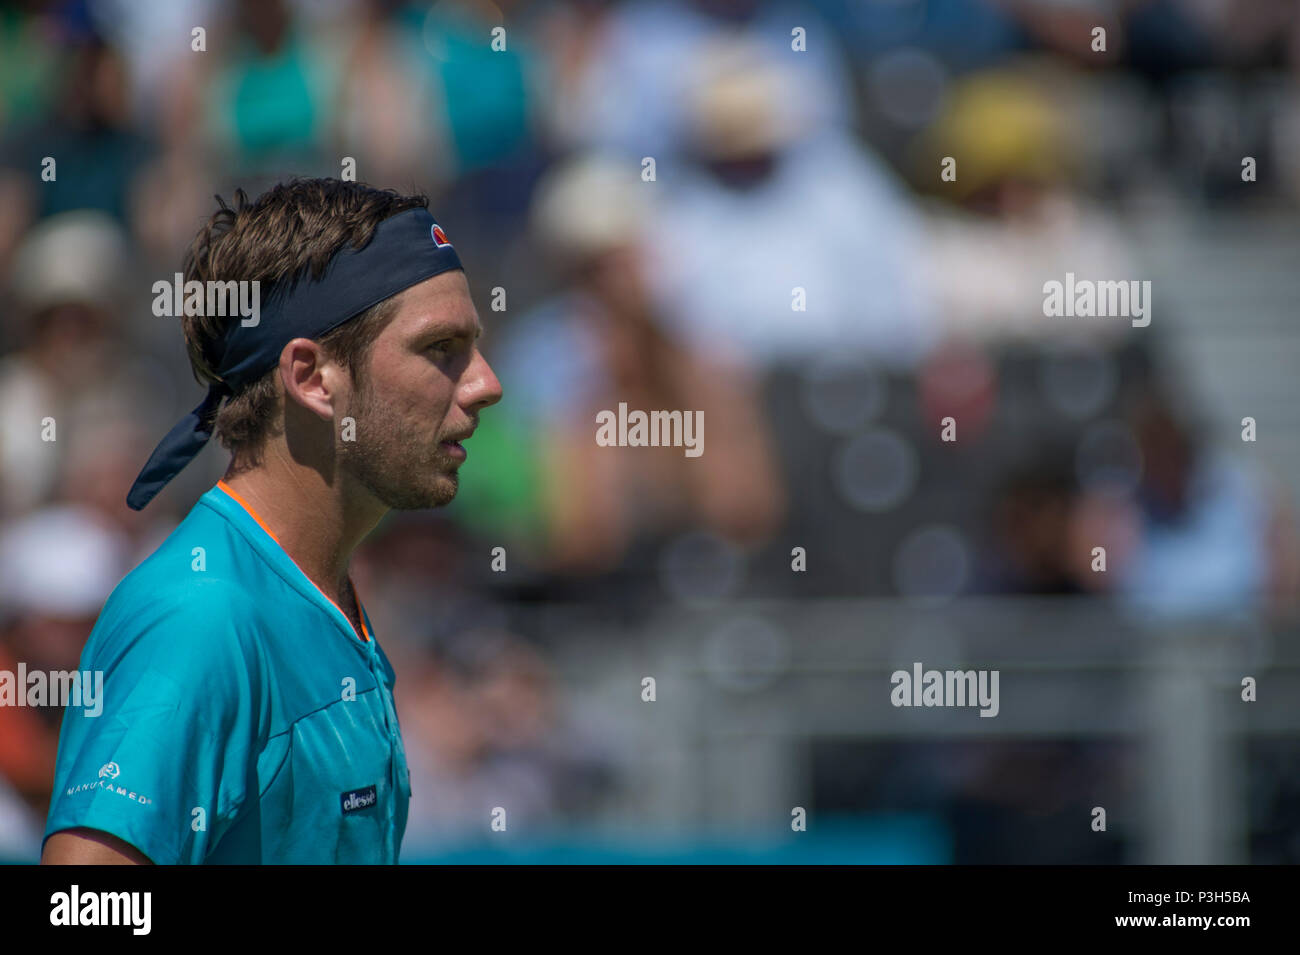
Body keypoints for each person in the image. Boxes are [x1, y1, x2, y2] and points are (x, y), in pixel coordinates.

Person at [40, 177, 502, 864]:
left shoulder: (319, 595)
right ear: (314, 377)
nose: (485, 382)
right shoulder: (200, 618)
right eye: (441, 348)